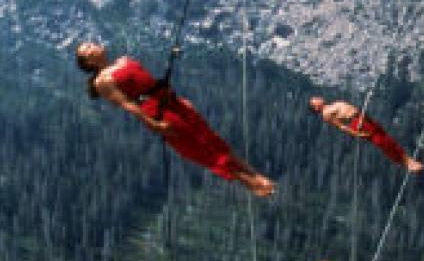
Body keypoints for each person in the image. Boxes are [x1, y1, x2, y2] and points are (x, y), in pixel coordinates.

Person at [76, 41, 276, 197]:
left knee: (211, 138)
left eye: (90, 44)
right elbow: (129, 105)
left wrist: (178, 99)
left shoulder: (123, 60)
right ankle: (251, 183)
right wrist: (155, 125)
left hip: (171, 101)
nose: (92, 45)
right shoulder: (103, 81)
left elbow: (148, 81)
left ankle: (256, 175)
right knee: (200, 148)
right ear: (89, 62)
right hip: (156, 110)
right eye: (87, 49)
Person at [308, 96, 423, 173]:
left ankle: (409, 160)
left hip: (362, 118)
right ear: (316, 107)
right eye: (316, 100)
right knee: (382, 142)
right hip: (357, 123)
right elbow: (341, 126)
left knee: (386, 138)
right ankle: (407, 163)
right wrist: (356, 133)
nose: (319, 98)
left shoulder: (333, 104)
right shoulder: (326, 114)